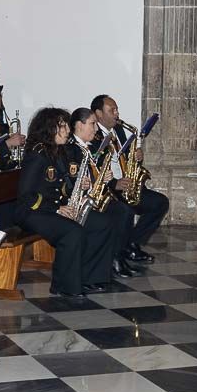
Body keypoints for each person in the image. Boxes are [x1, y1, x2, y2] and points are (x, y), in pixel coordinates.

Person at [15, 108, 117, 300]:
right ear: (50, 128)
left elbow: (62, 186)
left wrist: (78, 195)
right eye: (63, 126)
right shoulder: (37, 155)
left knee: (102, 223)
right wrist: (57, 209)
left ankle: (90, 277)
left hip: (54, 208)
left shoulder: (59, 151)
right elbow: (26, 196)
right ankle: (64, 286)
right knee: (72, 231)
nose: (68, 130)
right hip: (33, 212)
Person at [90, 94, 168, 266]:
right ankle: (119, 253)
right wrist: (114, 184)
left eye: (117, 109)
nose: (117, 114)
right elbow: (92, 168)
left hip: (127, 183)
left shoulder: (118, 130)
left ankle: (132, 244)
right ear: (98, 114)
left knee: (160, 202)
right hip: (110, 189)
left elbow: (124, 156)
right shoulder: (93, 136)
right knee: (126, 211)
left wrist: (136, 157)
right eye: (112, 110)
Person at [70, 108, 141, 279]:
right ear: (79, 125)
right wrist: (98, 179)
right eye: (92, 124)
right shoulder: (71, 149)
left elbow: (96, 172)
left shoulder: (92, 146)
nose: (96, 129)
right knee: (112, 218)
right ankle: (106, 264)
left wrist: (105, 176)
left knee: (125, 211)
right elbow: (71, 179)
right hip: (81, 201)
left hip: (97, 195)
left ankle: (116, 256)